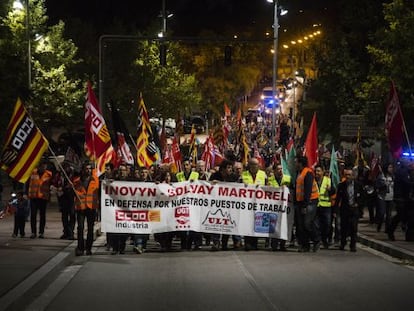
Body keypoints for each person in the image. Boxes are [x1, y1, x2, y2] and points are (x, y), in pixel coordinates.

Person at [209, 159, 238, 250]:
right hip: (217, 205)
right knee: (216, 223)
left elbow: (239, 188)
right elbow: (207, 187)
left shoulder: (234, 177)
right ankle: (216, 242)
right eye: (228, 168)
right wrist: (212, 184)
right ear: (223, 169)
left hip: (229, 204)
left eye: (231, 168)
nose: (230, 170)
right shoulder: (215, 175)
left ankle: (224, 243)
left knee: (228, 223)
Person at [334, 167, 364, 252]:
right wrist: (336, 210)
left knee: (354, 228)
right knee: (344, 227)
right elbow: (338, 199)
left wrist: (358, 204)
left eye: (349, 175)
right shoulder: (341, 185)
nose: (347, 176)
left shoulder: (358, 185)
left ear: (353, 176)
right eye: (346, 175)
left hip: (354, 209)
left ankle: (353, 245)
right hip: (345, 209)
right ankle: (343, 243)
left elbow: (362, 197)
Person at [294, 155, 320, 252]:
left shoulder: (308, 173)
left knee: (307, 223)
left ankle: (316, 239)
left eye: (296, 162)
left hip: (310, 202)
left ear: (300, 163)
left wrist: (305, 205)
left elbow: (308, 190)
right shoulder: (299, 173)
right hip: (300, 202)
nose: (295, 164)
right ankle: (305, 245)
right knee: (300, 225)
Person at [73, 162, 99, 256]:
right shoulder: (76, 180)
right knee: (80, 228)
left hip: (91, 207)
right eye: (86, 168)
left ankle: (88, 248)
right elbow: (71, 190)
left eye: (89, 168)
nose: (87, 170)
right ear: (82, 170)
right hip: (81, 207)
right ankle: (80, 248)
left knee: (90, 229)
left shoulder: (96, 179)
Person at [241, 157, 267, 251]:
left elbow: (269, 187)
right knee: (247, 224)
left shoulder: (263, 175)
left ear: (258, 165)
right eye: (251, 164)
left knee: (256, 223)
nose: (253, 166)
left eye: (255, 164)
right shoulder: (244, 175)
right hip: (247, 205)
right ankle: (247, 243)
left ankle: (254, 243)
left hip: (259, 204)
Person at [176, 158, 202, 250]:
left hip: (194, 203)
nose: (186, 167)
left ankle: (194, 244)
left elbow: (202, 186)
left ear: (190, 166)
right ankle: (184, 245)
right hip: (182, 203)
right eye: (184, 165)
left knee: (193, 224)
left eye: (187, 165)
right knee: (183, 224)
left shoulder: (196, 175)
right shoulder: (178, 175)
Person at [267, 162, 291, 251]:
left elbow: (292, 189)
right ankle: (274, 244)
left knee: (284, 224)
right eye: (278, 169)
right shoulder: (270, 180)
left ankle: (282, 244)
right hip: (274, 206)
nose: (280, 171)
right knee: (274, 224)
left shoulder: (288, 179)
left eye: (281, 169)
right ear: (274, 170)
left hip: (285, 206)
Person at [28, 160, 53, 239]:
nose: (43, 167)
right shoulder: (33, 172)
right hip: (34, 197)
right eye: (42, 166)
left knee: (42, 215)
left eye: (45, 166)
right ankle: (33, 232)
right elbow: (27, 183)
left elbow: (51, 185)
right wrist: (25, 193)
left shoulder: (49, 174)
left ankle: (41, 232)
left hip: (43, 197)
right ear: (39, 166)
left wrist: (50, 197)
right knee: (33, 215)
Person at [51, 162, 75, 240]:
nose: (64, 168)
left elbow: (73, 184)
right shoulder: (59, 175)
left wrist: (64, 188)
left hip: (71, 198)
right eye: (62, 167)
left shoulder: (73, 174)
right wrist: (54, 188)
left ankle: (71, 233)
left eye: (65, 167)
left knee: (72, 215)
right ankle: (65, 232)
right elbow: (54, 183)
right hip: (62, 198)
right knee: (64, 216)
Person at [388, 160, 411, 241]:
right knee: (401, 215)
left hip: (407, 198)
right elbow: (407, 183)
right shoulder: (402, 172)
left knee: (408, 215)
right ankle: (390, 230)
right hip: (400, 197)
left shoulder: (408, 171)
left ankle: (409, 235)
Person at [315, 165, 335, 249]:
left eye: (319, 171)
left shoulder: (328, 180)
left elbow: (334, 191)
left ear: (323, 172)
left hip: (326, 206)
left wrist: (330, 189)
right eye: (316, 171)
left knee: (327, 224)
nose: (317, 173)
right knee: (317, 225)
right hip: (316, 205)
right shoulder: (313, 180)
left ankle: (325, 238)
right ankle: (318, 240)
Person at [375, 163, 394, 233]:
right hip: (382, 197)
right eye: (390, 167)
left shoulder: (393, 176)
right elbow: (377, 186)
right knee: (382, 213)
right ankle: (379, 225)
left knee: (389, 215)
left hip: (390, 197)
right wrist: (384, 184)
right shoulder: (381, 176)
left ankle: (387, 229)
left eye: (392, 167)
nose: (391, 169)